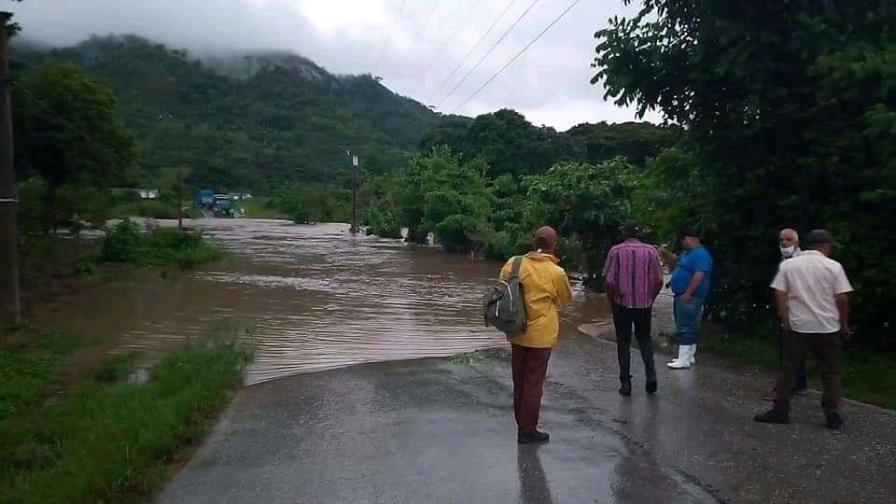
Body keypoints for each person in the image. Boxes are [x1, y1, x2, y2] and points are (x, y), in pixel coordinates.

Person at [754, 229, 853, 429]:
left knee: (789, 369)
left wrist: (785, 319)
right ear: (826, 246)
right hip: (827, 328)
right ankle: (832, 413)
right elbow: (842, 298)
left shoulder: (789, 265)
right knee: (831, 372)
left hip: (798, 326)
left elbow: (780, 294)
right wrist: (844, 324)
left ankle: (780, 410)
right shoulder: (833, 267)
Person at [499, 226, 573, 444]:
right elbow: (565, 299)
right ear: (554, 245)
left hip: (516, 329)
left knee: (519, 379)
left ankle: (521, 424)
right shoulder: (556, 272)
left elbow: (501, 288)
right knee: (533, 382)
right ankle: (527, 430)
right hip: (541, 335)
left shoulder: (514, 263)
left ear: (533, 242)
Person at [602, 224, 664, 396]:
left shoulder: (616, 251)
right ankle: (651, 376)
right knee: (645, 339)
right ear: (639, 234)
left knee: (623, 341)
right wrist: (650, 297)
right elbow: (659, 280)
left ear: (624, 234)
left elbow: (609, 280)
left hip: (621, 303)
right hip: (644, 304)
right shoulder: (651, 251)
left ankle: (625, 383)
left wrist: (613, 297)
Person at [764, 228, 808, 400]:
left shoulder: (801, 261)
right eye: (781, 239)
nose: (784, 243)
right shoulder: (784, 260)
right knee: (791, 347)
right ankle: (799, 383)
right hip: (787, 308)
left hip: (797, 309)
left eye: (788, 239)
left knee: (790, 349)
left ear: (796, 242)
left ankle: (785, 389)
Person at [658, 230, 713, 369]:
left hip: (690, 296)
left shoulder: (700, 254)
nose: (682, 243)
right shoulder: (688, 253)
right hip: (681, 294)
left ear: (690, 239)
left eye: (683, 240)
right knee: (687, 324)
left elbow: (699, 275)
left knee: (685, 325)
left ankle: (683, 360)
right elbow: (679, 265)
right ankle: (689, 356)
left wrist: (689, 292)